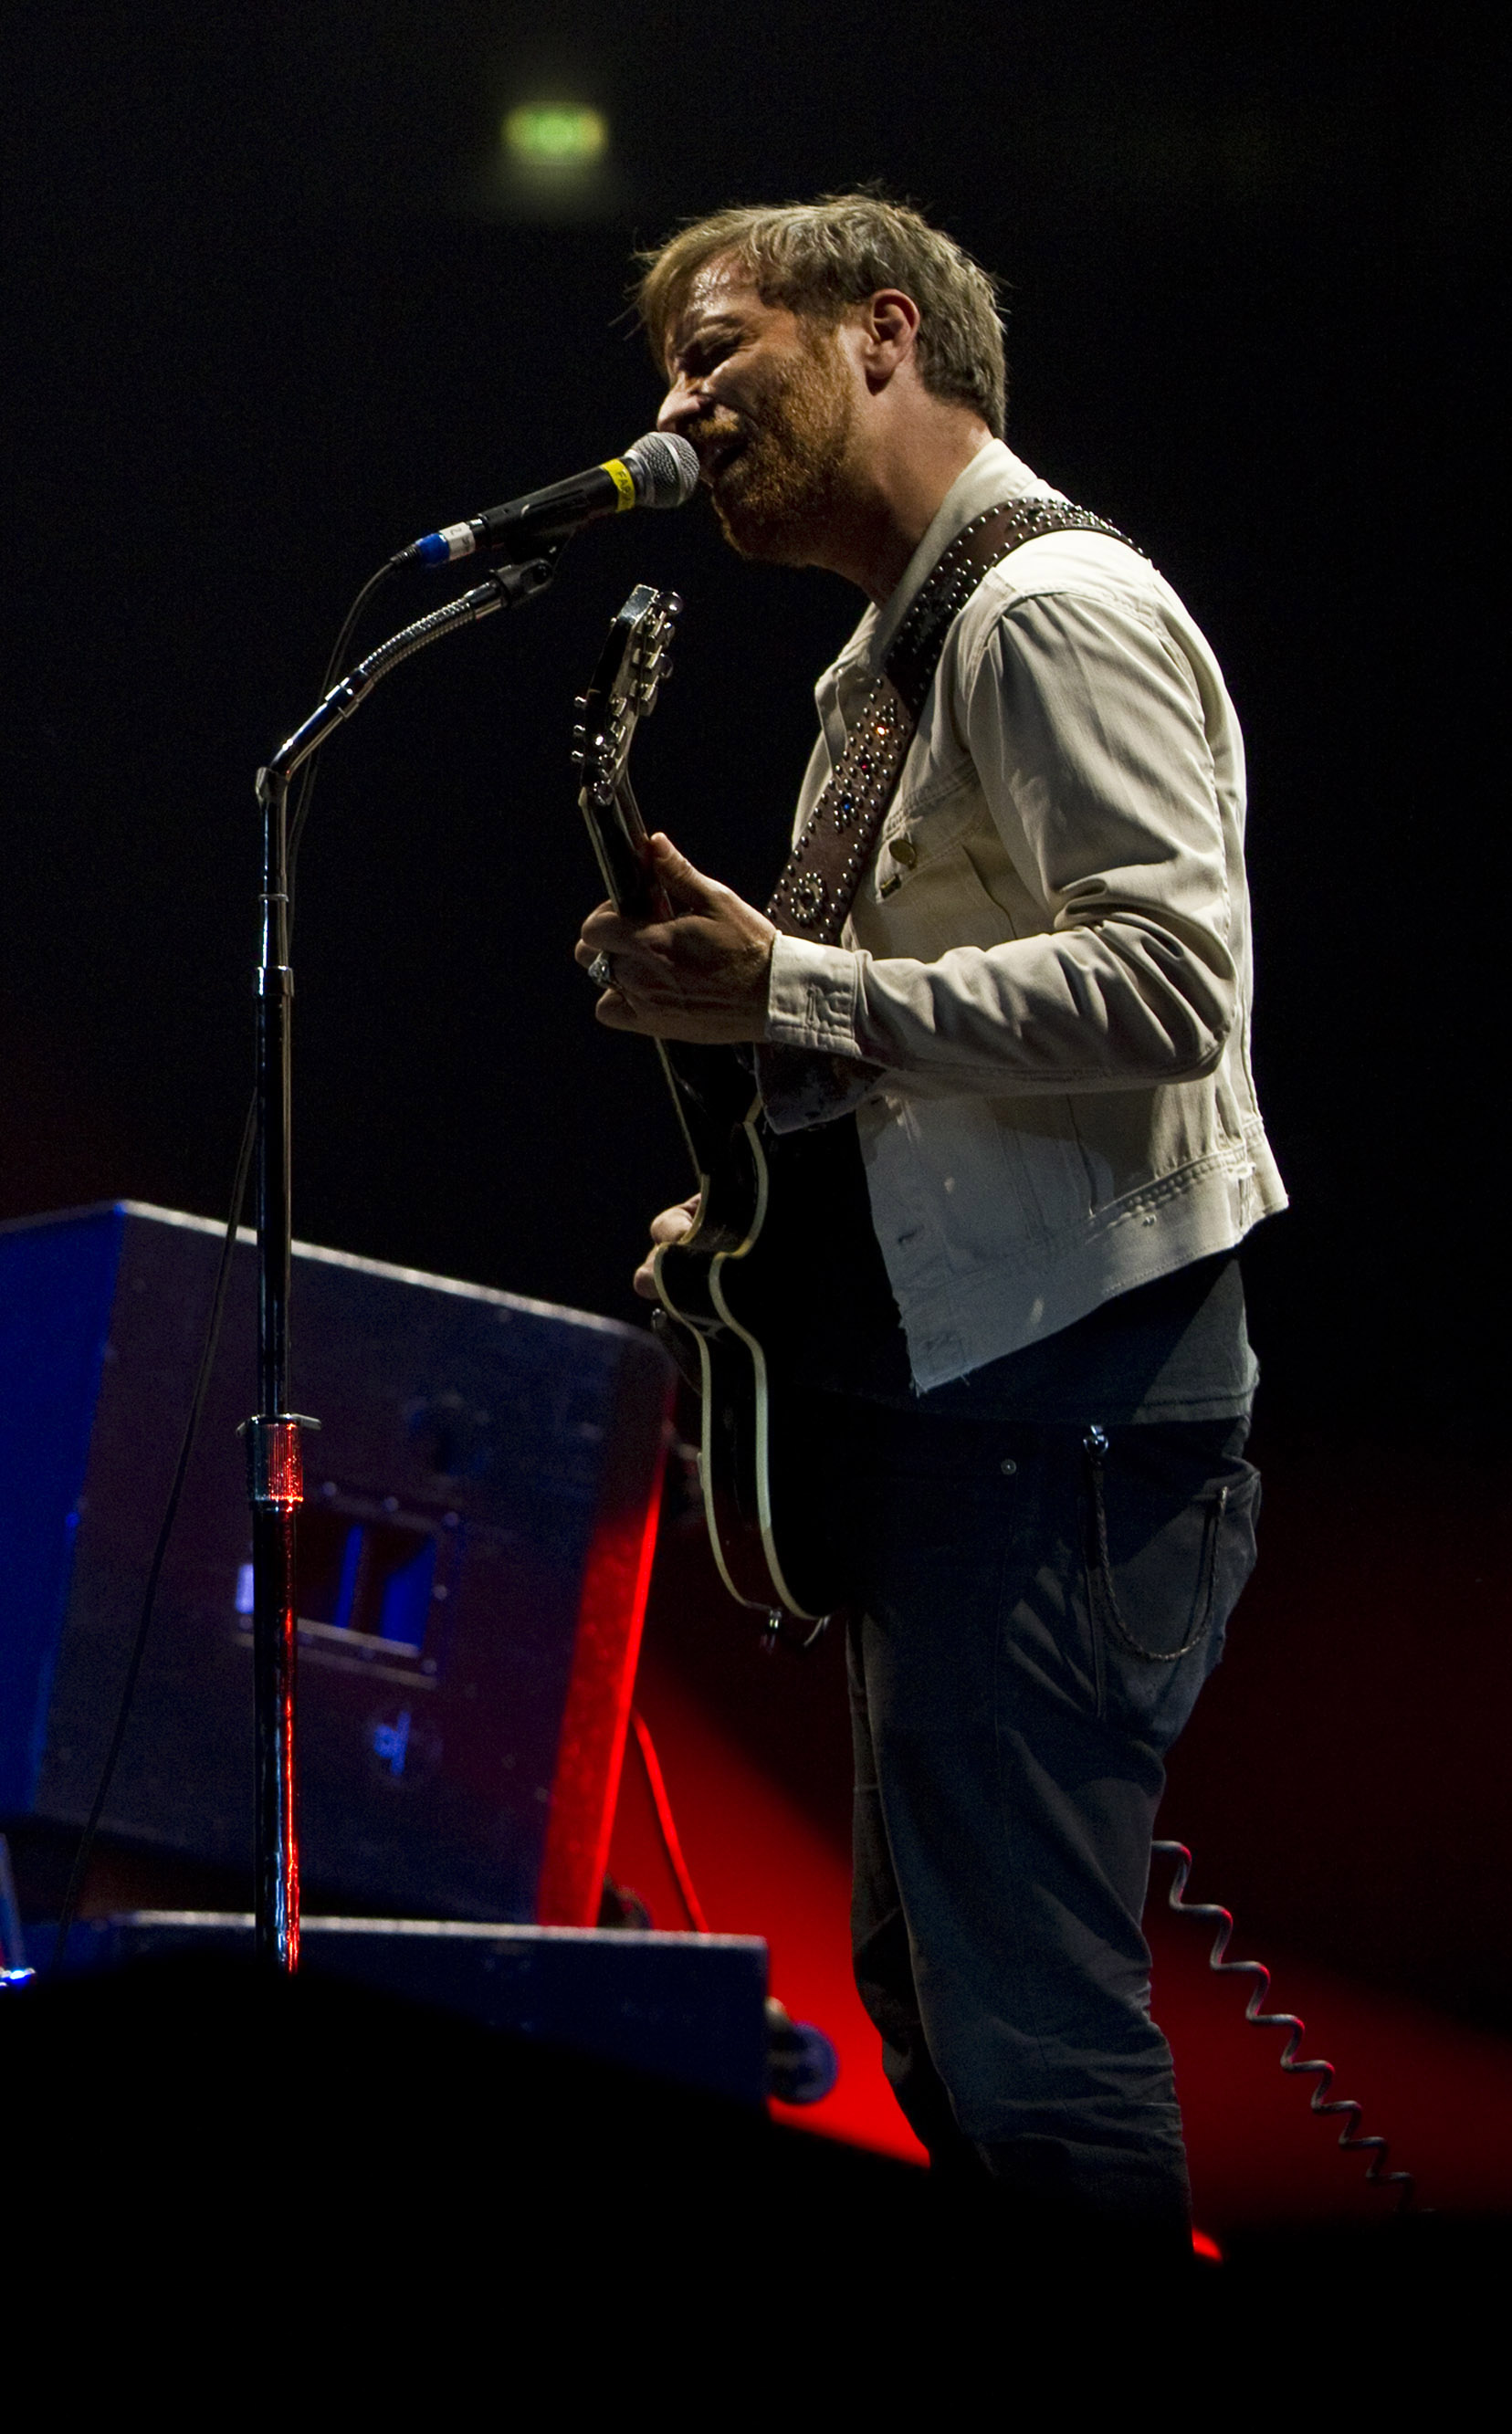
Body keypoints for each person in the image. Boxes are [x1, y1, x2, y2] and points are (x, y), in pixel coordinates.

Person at [575, 194, 1278, 2244]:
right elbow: (916, 1064)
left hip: (1064, 1427)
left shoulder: (1042, 606)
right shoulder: (893, 652)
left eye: (720, 349)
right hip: (974, 1422)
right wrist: (739, 1188)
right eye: (666, 369)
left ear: (880, 332)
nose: (677, 405)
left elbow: (1168, 984)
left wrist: (789, 988)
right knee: (946, 2019)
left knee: (1029, 2043)